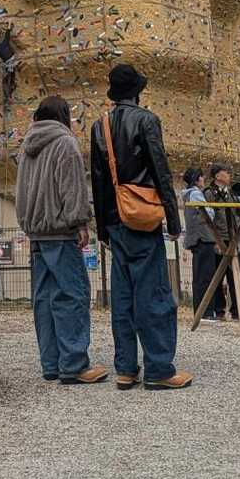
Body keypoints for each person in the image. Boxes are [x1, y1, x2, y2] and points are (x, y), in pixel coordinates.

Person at [90, 63, 192, 391]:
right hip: (142, 216)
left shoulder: (100, 125)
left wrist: (102, 228)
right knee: (153, 292)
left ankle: (125, 368)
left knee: (122, 295)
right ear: (137, 91)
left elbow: (98, 179)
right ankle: (159, 368)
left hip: (114, 218)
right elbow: (160, 170)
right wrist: (173, 218)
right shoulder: (147, 120)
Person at [15, 96, 108, 385]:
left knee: (44, 299)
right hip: (60, 231)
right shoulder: (64, 143)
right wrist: (80, 222)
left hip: (36, 233)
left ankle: (51, 364)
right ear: (64, 116)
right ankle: (74, 364)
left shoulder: (27, 147)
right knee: (72, 295)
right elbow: (72, 187)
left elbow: (21, 191)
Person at [182, 166, 221, 321]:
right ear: (197, 179)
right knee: (205, 276)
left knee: (200, 276)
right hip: (203, 238)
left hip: (197, 239)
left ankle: (202, 311)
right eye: (201, 177)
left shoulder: (188, 194)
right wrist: (211, 209)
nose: (203, 179)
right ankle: (206, 311)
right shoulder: (196, 194)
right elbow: (208, 213)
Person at [206, 162, 239, 319]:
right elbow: (207, 218)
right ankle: (219, 309)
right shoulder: (209, 193)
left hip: (231, 238)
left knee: (234, 275)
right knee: (218, 276)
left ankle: (236, 310)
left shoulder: (231, 193)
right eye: (226, 172)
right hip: (218, 237)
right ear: (217, 175)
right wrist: (213, 240)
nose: (229, 175)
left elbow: (237, 213)